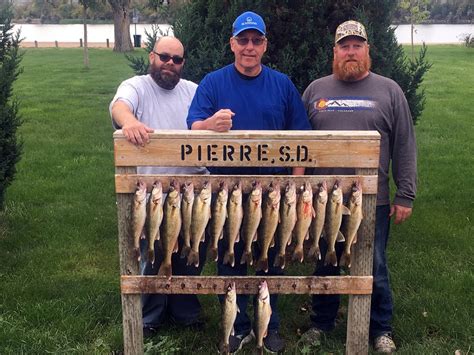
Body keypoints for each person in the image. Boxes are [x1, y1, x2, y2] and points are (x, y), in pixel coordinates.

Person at [187, 11, 311, 354]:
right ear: (232, 44)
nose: (249, 47)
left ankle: (268, 327)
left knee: (270, 257)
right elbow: (192, 128)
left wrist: (294, 188)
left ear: (265, 45)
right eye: (243, 40)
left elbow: (301, 141)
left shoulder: (282, 84)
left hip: (272, 193)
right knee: (230, 258)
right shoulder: (213, 83)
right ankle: (238, 327)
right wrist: (210, 124)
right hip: (226, 191)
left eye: (256, 40)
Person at [300, 20, 417, 353]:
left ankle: (381, 329)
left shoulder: (389, 90)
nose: (350, 52)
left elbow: (405, 145)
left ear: (367, 50)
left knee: (374, 263)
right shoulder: (315, 90)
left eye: (356, 46)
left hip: (372, 200)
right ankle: (321, 323)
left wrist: (404, 194)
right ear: (335, 52)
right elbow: (298, 143)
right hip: (322, 199)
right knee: (325, 259)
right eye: (344, 46)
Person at [109, 36, 209, 337]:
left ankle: (184, 309)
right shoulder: (136, 85)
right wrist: (128, 122)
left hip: (192, 192)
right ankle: (149, 316)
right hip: (150, 194)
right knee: (150, 254)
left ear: (183, 64)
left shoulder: (194, 90)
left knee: (192, 253)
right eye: (164, 57)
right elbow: (120, 106)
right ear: (152, 56)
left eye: (177, 60)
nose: (170, 64)